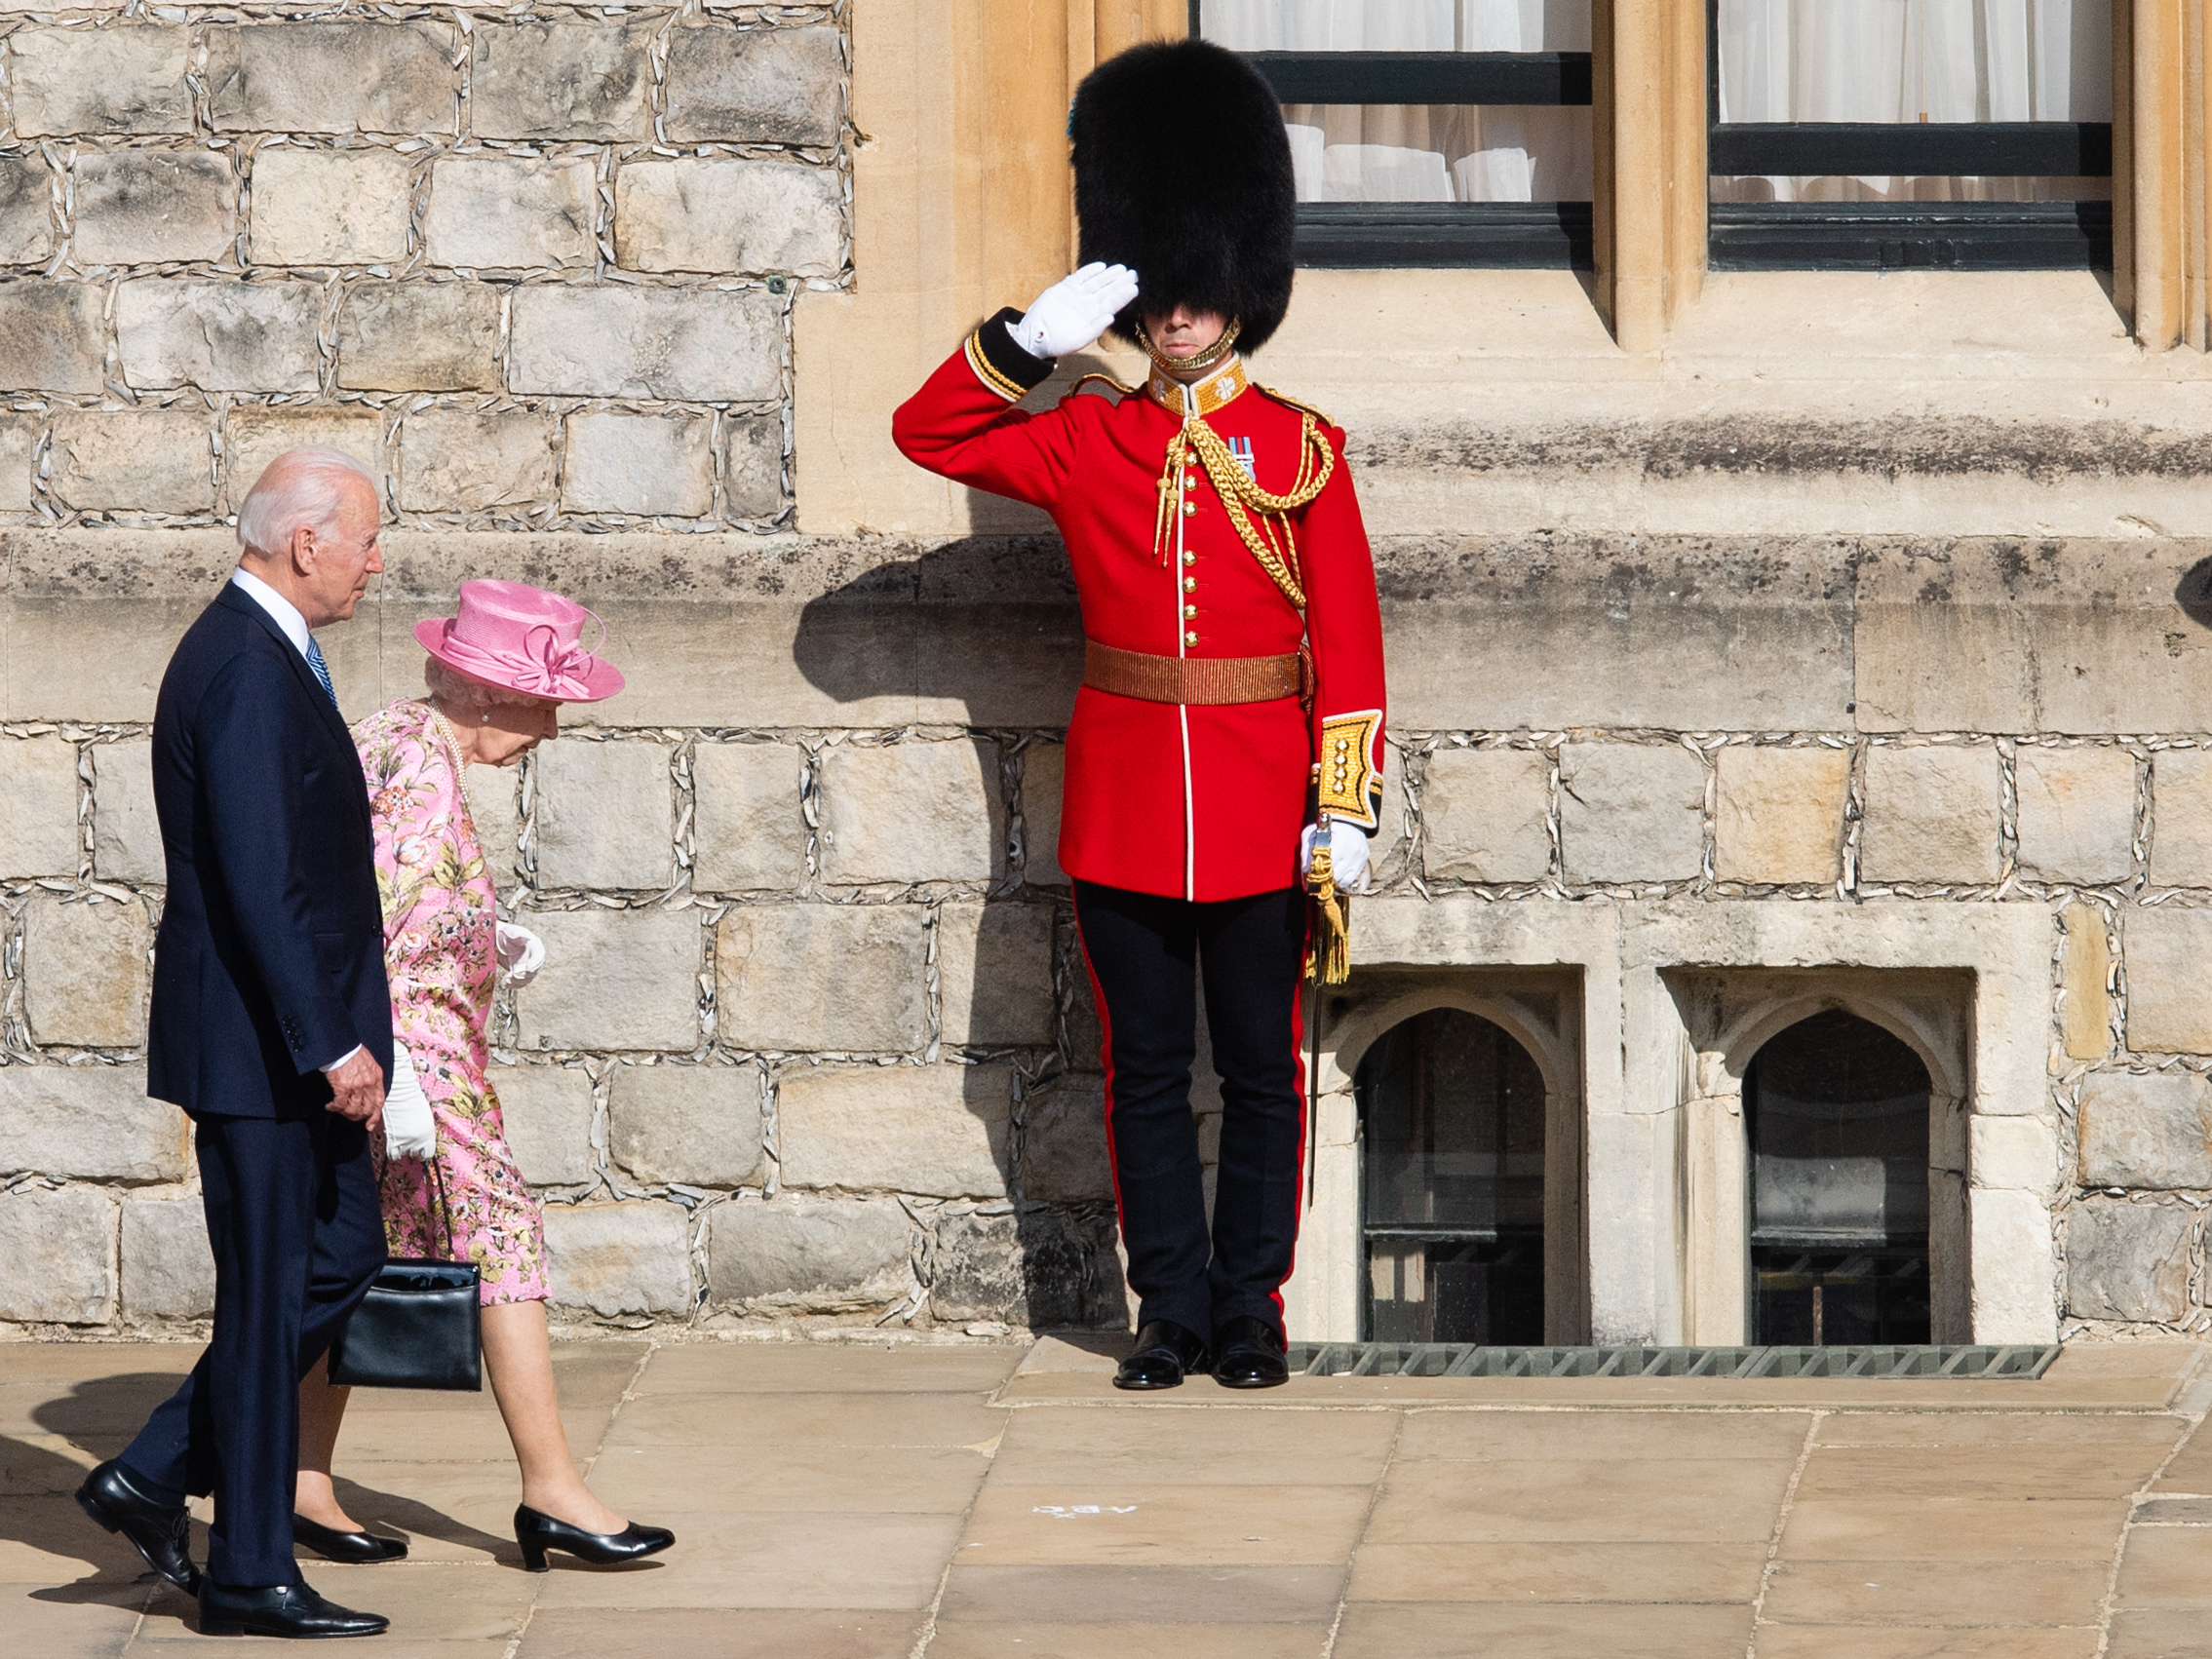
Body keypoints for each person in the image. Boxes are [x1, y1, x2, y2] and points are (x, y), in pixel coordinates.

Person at [891, 39, 1387, 1392]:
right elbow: (924, 432)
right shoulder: (1089, 434)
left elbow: (1347, 646)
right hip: (1123, 806)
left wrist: (1341, 803)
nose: (1175, 316)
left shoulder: (1301, 452)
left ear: (1238, 291)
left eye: (1196, 293)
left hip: (1258, 802)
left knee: (1265, 1073)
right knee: (1146, 1075)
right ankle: (1166, 1307)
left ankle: (1250, 1308)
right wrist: (1023, 341)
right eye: (1156, 295)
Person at [290, 579, 675, 1575]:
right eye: (547, 703)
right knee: (503, 1244)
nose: (553, 725)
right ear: (495, 695)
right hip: (413, 1067)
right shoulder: (417, 764)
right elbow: (382, 937)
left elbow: (388, 902)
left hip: (409, 1054)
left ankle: (302, 1479)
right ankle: (551, 1489)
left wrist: (486, 939)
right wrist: (404, 1066)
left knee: (345, 1253)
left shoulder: (408, 742)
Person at [75, 447, 396, 1639]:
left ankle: (158, 1466)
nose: (376, 559)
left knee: (341, 1255)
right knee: (268, 1301)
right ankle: (251, 1567)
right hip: (264, 1050)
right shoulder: (248, 668)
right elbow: (262, 885)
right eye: (365, 537)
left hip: (283, 1042)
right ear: (305, 541)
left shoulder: (260, 649)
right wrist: (331, 1042)